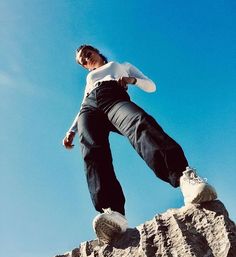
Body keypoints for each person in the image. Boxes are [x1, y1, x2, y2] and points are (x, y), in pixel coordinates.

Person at [62, 44, 217, 244]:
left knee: (140, 123)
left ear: (97, 52)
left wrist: (130, 80)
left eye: (87, 54)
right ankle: (112, 214)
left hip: (113, 97)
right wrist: (71, 130)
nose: (85, 60)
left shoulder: (121, 66)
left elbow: (150, 85)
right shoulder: (89, 79)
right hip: (89, 108)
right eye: (81, 62)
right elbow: (84, 102)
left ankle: (184, 178)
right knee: (92, 150)